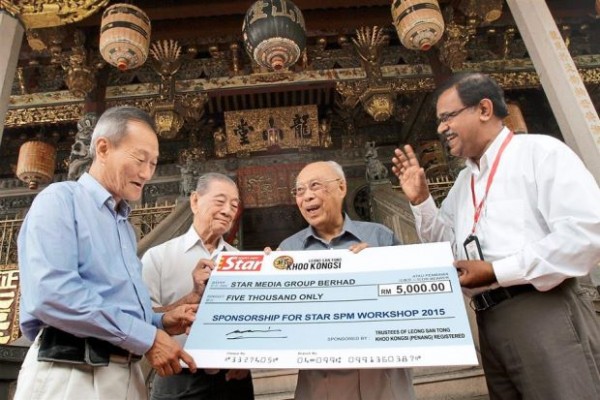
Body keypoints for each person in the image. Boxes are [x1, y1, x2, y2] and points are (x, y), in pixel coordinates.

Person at [391, 72, 600, 400]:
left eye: (447, 117)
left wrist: (497, 270)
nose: (441, 128)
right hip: (489, 320)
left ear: (484, 109)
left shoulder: (539, 153)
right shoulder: (463, 184)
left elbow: (586, 235)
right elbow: (446, 246)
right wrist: (420, 201)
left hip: (540, 308)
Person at [15, 106, 198, 400]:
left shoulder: (124, 226)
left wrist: (161, 323)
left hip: (127, 373)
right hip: (71, 372)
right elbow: (53, 294)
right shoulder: (60, 201)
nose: (147, 173)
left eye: (153, 163)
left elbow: (117, 308)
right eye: (140, 159)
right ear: (103, 148)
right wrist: (148, 337)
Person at [278, 160, 415, 400]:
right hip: (321, 382)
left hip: (383, 377)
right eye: (299, 191)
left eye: (315, 186)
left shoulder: (379, 237)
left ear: (341, 188)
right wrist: (266, 277)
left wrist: (382, 270)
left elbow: (413, 300)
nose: (306, 196)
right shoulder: (287, 251)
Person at [142, 172, 254, 400]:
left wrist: (248, 355)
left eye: (234, 205)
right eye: (220, 201)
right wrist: (191, 296)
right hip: (178, 375)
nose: (228, 210)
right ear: (194, 201)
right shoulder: (158, 257)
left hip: (233, 377)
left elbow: (251, 317)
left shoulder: (241, 260)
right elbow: (141, 318)